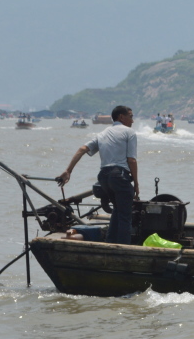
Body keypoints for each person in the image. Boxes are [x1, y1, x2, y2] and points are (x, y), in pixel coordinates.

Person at [57, 105, 139, 245]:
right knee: (125, 216)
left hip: (104, 177)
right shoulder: (129, 132)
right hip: (119, 175)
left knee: (118, 211)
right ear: (121, 117)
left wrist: (68, 171)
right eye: (130, 116)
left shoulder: (102, 133)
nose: (132, 120)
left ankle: (110, 243)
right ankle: (124, 248)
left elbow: (83, 149)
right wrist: (136, 183)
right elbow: (131, 160)